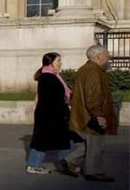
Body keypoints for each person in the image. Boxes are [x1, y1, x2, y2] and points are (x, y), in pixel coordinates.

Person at [67, 45, 118, 182]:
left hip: (84, 113)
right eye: (107, 55)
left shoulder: (86, 69)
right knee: (96, 144)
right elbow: (93, 95)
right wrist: (98, 115)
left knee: (90, 143)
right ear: (98, 57)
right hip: (91, 115)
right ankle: (94, 171)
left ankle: (69, 161)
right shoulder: (94, 71)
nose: (109, 58)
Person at [25, 52, 81, 176]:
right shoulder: (48, 77)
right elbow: (50, 98)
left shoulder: (53, 76)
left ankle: (65, 163)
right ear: (50, 63)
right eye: (58, 61)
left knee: (64, 139)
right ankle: (34, 165)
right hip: (49, 115)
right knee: (42, 141)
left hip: (54, 114)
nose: (60, 63)